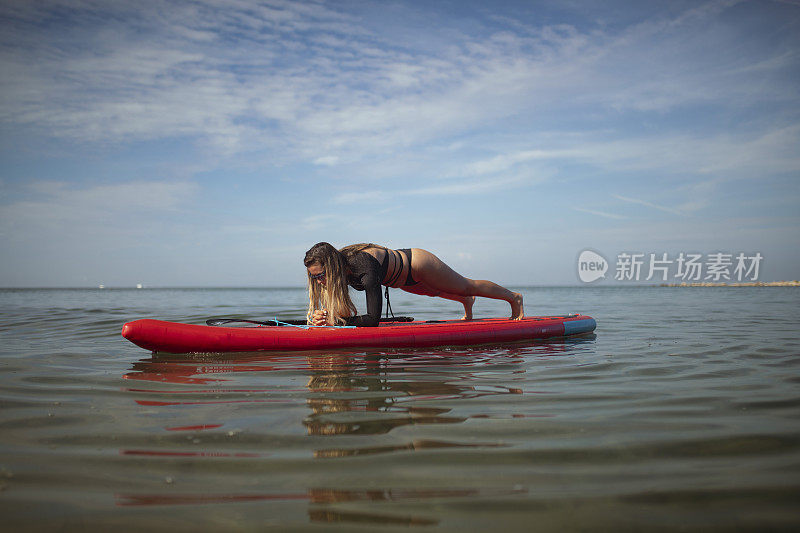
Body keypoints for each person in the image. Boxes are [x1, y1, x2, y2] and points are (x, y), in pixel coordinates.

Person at [303, 242, 524, 327]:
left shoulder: (363, 267)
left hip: (417, 264)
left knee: (466, 285)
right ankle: (466, 302)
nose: (319, 281)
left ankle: (513, 298)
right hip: (399, 279)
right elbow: (344, 313)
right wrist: (323, 317)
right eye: (314, 277)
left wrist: (337, 322)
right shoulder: (335, 275)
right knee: (435, 293)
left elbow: (372, 320)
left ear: (333, 267)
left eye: (320, 275)